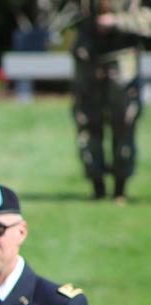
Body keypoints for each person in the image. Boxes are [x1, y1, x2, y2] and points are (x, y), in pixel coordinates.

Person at [71, 1, 151, 203]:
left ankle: (119, 189)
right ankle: (97, 186)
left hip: (123, 61)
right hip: (88, 59)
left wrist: (117, 21)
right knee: (86, 124)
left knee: (124, 122)